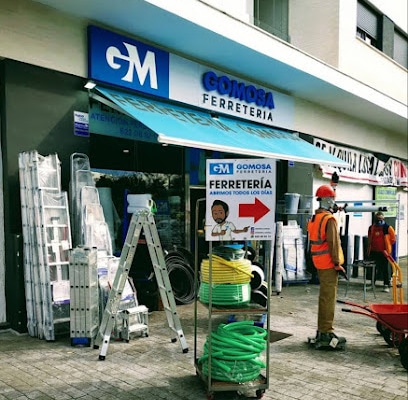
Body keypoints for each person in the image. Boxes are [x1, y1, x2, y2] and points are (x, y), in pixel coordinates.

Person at [307, 185, 346, 349]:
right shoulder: (329, 220)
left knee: (324, 297)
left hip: (319, 262)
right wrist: (337, 264)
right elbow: (333, 243)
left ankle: (322, 330)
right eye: (333, 199)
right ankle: (326, 331)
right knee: (328, 298)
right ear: (328, 200)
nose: (334, 202)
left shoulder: (315, 219)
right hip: (329, 263)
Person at [367, 211, 396, 293]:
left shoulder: (388, 228)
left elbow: (393, 239)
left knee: (385, 269)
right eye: (377, 218)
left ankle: (386, 284)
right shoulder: (371, 227)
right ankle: (372, 284)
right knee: (373, 268)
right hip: (374, 251)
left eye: (380, 218)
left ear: (383, 218)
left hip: (384, 252)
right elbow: (370, 238)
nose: (379, 220)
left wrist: (387, 247)